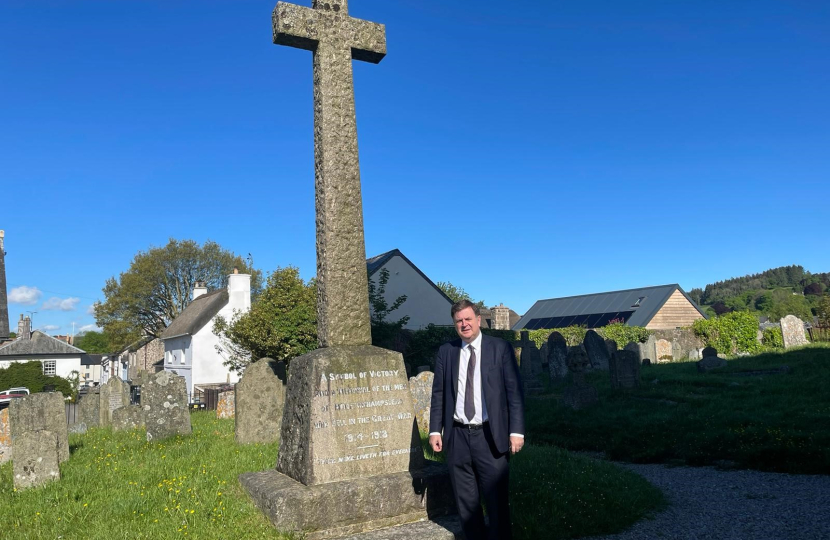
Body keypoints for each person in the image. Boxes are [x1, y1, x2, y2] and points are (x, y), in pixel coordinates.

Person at [429, 299, 525, 540]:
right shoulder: (447, 352)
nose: (464, 324)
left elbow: (514, 392)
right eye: (459, 321)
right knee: (466, 504)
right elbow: (438, 393)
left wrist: (517, 431)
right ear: (454, 324)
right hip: (457, 436)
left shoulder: (499, 348)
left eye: (468, 319)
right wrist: (434, 431)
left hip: (490, 436)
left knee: (496, 502)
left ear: (478, 320)